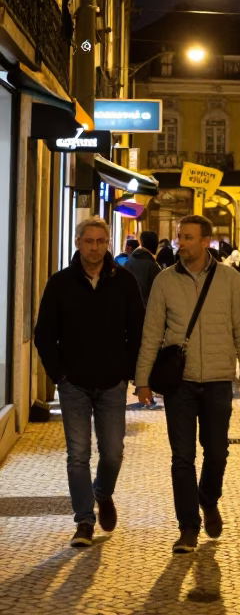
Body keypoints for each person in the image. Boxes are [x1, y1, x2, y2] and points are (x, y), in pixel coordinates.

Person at [135, 214, 240, 554]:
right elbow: (151, 334)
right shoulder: (165, 281)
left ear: (206, 242)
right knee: (182, 458)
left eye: (188, 237)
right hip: (180, 383)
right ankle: (188, 527)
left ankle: (208, 498)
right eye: (180, 237)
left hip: (218, 380)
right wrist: (142, 380)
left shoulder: (230, 279)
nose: (181, 243)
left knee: (217, 452)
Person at [33, 217, 145, 548]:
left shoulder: (124, 281)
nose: (94, 247)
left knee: (112, 452)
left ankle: (102, 493)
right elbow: (44, 334)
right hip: (74, 384)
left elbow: (138, 330)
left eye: (100, 241)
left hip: (112, 382)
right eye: (88, 241)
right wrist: (59, 374)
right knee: (77, 454)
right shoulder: (60, 283)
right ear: (78, 243)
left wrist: (129, 371)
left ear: (108, 243)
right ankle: (84, 520)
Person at [125, 230, 162, 307]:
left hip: (129, 308)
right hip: (146, 310)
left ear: (141, 243)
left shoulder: (128, 262)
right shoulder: (153, 266)